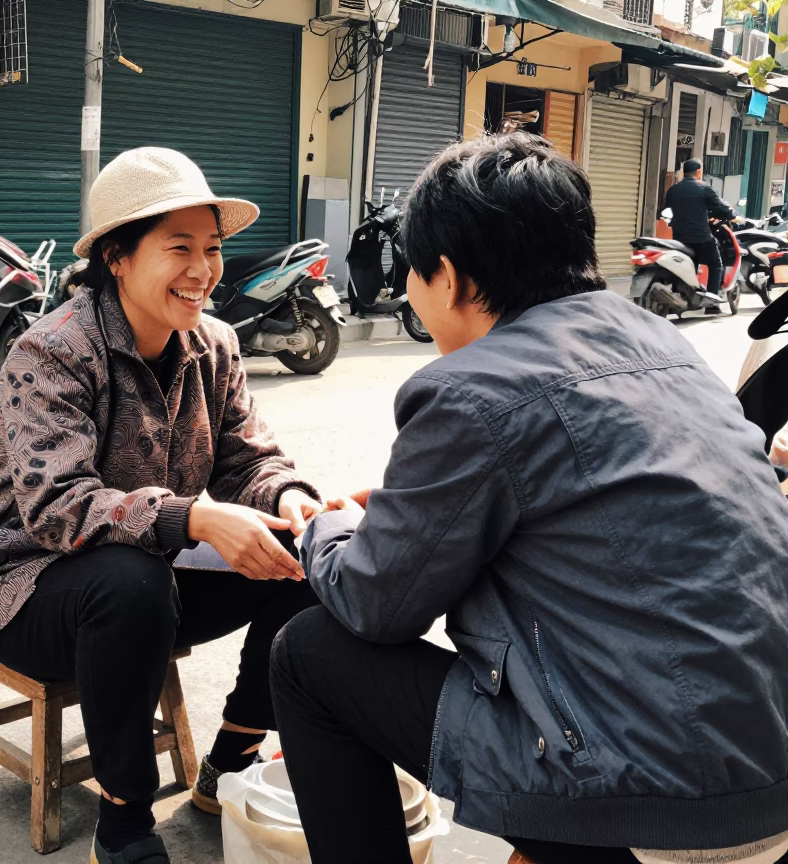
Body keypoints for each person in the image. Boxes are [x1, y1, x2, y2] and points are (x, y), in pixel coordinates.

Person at [270, 133, 788, 864]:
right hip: (767, 774)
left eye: (412, 276)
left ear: (446, 278)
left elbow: (373, 602)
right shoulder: (661, 345)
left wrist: (329, 527)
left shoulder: (472, 387)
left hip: (655, 811)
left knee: (310, 654)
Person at [0, 148, 323, 864]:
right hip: (22, 585)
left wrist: (293, 499)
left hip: (147, 566)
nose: (203, 269)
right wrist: (192, 517)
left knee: (303, 555)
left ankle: (230, 764)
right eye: (178, 247)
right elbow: (58, 507)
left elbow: (248, 458)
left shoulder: (213, 344)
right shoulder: (53, 351)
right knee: (131, 582)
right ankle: (124, 821)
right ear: (117, 257)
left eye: (211, 248)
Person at [662, 158, 735, 314]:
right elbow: (723, 209)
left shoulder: (673, 190)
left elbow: (665, 211)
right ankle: (712, 304)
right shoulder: (704, 188)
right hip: (701, 237)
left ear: (683, 172)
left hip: (679, 238)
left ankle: (682, 298)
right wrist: (730, 213)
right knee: (715, 264)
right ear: (699, 171)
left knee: (685, 266)